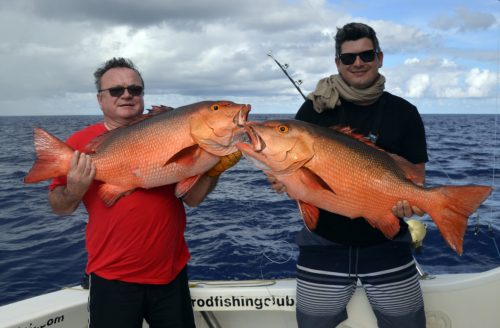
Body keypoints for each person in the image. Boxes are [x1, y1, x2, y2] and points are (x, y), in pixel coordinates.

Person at [48, 57, 240, 328]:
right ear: (100, 99)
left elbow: (193, 199)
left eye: (134, 90)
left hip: (171, 274)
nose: (126, 95)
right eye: (116, 90)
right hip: (111, 277)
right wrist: (74, 190)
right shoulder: (80, 144)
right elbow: (60, 207)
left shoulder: (170, 130)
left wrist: (213, 170)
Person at [267, 23, 428, 328]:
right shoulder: (313, 110)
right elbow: (299, 179)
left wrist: (410, 200)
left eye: (366, 54)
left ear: (379, 57)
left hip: (387, 244)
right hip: (322, 245)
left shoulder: (404, 113)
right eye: (348, 57)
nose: (358, 63)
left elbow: (417, 178)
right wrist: (284, 180)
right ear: (337, 62)